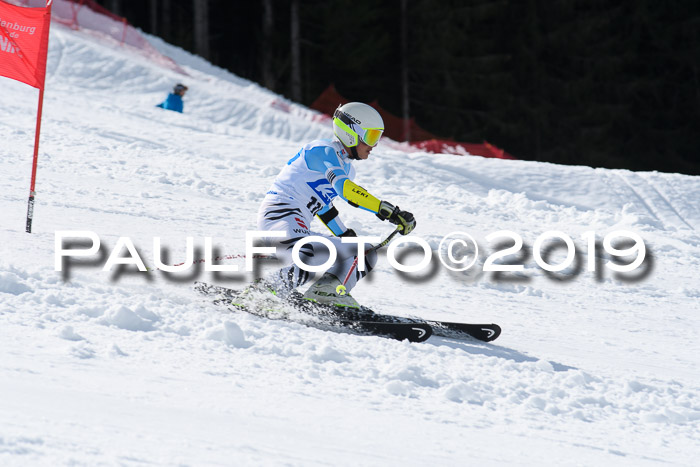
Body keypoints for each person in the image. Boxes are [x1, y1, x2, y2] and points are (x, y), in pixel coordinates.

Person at [252, 102, 416, 309]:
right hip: (279, 217)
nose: (374, 145)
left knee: (364, 253)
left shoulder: (346, 168)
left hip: (295, 223)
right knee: (312, 254)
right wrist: (389, 211)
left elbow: (323, 207)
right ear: (351, 133)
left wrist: (344, 233)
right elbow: (346, 191)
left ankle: (325, 293)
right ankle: (265, 291)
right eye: (372, 137)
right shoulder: (323, 151)